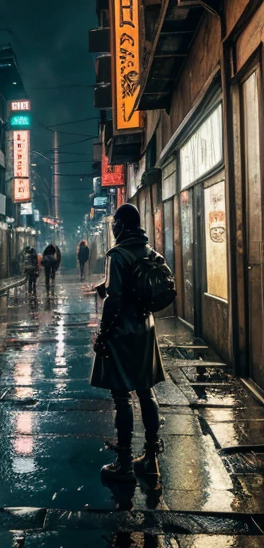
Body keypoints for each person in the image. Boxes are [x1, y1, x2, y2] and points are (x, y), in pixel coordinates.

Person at [90, 203, 166, 484]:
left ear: (120, 225)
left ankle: (123, 462)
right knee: (145, 393)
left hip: (122, 333)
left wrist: (103, 333)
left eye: (114, 224)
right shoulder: (150, 252)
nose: (113, 228)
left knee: (121, 396)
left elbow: (115, 300)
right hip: (146, 329)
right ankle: (151, 457)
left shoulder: (118, 254)